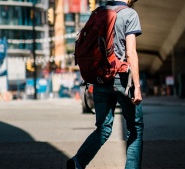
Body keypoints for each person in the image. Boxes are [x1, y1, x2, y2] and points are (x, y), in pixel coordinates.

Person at [67, 0, 143, 168]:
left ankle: (78, 162)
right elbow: (130, 53)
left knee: (103, 128)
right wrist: (136, 87)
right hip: (122, 79)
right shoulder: (129, 14)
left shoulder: (97, 13)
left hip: (100, 79)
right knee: (135, 128)